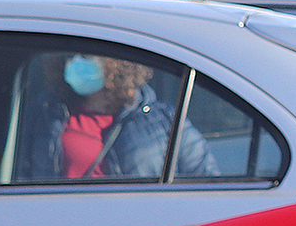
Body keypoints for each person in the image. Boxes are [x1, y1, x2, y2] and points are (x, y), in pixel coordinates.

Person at [23, 52, 208, 181]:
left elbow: (205, 179)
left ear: (116, 64)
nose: (75, 62)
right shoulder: (45, 117)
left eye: (86, 56)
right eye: (70, 56)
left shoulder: (165, 120)